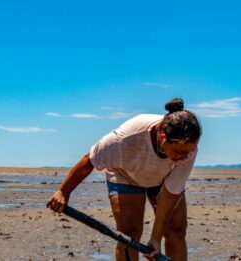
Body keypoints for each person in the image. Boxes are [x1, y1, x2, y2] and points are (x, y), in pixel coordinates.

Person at [46, 98, 201, 261]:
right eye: (179, 152)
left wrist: (155, 238)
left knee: (175, 229)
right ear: (163, 138)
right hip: (125, 175)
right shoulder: (125, 139)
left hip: (163, 177)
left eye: (188, 152)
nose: (185, 156)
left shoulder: (187, 148)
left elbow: (170, 195)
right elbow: (89, 160)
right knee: (129, 234)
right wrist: (63, 191)